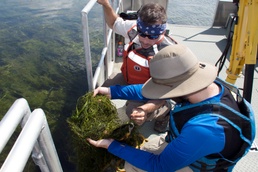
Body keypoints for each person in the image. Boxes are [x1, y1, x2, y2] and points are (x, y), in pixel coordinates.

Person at [88, 44, 255, 172]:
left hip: (198, 166)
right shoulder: (208, 86)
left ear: (179, 88)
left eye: (163, 90)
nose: (159, 94)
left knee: (132, 164)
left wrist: (111, 145)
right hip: (192, 143)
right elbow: (144, 91)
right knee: (141, 153)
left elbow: (159, 166)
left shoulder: (205, 128)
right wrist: (111, 91)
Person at [96, 0, 177, 132]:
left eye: (152, 36)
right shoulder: (133, 29)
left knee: (133, 114)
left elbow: (163, 93)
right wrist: (106, 5)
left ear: (162, 32)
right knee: (98, 95)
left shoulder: (168, 54)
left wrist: (144, 110)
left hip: (151, 90)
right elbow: (113, 23)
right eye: (142, 34)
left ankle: (164, 113)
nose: (145, 40)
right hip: (128, 78)